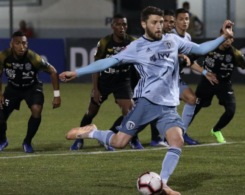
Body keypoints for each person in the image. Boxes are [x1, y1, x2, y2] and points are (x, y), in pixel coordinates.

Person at [60, 6, 233, 195]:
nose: (159, 26)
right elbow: (108, 61)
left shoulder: (172, 40)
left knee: (177, 141)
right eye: (154, 22)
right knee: (119, 143)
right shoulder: (137, 46)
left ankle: (163, 184)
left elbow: (200, 48)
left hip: (168, 106)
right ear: (144, 24)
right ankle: (92, 132)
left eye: (160, 22)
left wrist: (223, 37)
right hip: (146, 102)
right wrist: (77, 72)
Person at [69, 14, 145, 151]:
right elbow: (97, 66)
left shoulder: (133, 42)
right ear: (112, 26)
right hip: (104, 82)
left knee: (129, 113)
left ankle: (134, 140)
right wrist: (96, 89)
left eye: (124, 24)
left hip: (123, 81)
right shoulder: (104, 43)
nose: (122, 28)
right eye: (118, 24)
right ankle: (78, 140)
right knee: (91, 112)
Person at [191, 28, 245, 143]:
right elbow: (190, 58)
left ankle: (216, 130)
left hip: (224, 85)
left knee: (231, 111)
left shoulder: (235, 54)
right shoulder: (209, 46)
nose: (228, 40)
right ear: (220, 35)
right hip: (206, 83)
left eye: (231, 38)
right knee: (194, 109)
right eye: (226, 37)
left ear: (233, 39)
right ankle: (180, 132)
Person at [0, 31, 61, 153]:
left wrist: (57, 95)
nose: (21, 47)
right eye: (17, 43)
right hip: (13, 88)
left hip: (32, 87)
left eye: (24, 43)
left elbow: (53, 71)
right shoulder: (4, 56)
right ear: (11, 44)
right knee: (0, 119)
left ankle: (27, 141)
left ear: (27, 44)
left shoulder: (33, 58)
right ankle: (2, 140)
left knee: (36, 109)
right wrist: (0, 94)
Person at [170, 8, 200, 145]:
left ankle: (182, 133)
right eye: (181, 19)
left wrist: (205, 72)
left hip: (175, 79)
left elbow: (190, 61)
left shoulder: (187, 37)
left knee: (192, 98)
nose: (184, 22)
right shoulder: (170, 36)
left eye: (186, 19)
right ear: (175, 20)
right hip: (163, 79)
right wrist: (181, 56)